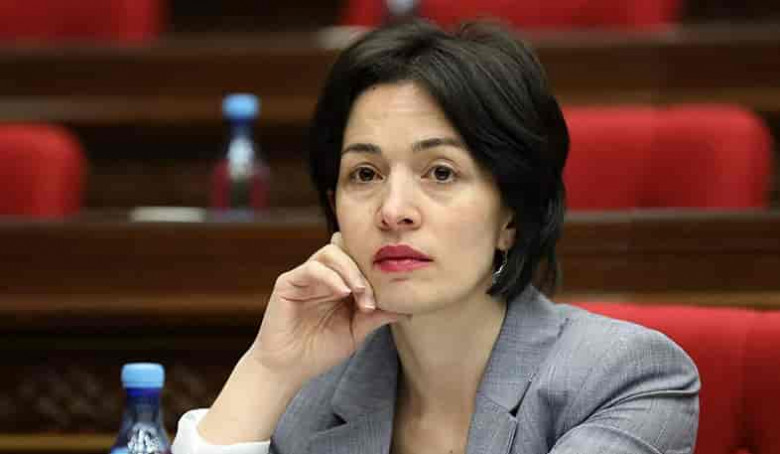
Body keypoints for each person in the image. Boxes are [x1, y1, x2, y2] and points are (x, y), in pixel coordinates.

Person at [172, 19, 699, 454]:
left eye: (440, 173)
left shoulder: (624, 380)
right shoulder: (310, 398)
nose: (393, 211)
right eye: (365, 174)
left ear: (511, 215)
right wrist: (268, 369)